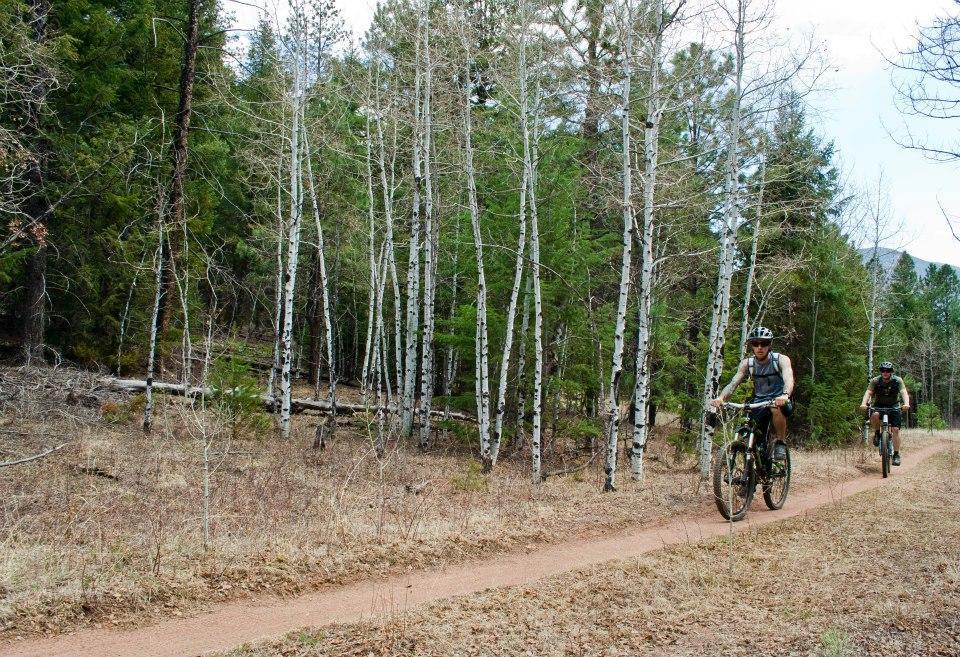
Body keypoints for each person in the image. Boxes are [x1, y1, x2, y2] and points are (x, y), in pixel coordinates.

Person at [711, 326, 795, 459]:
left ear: (770, 344)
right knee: (750, 432)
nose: (760, 347)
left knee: (775, 408)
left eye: (764, 343)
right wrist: (721, 397)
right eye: (756, 344)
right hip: (759, 402)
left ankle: (780, 442)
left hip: (781, 401)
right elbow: (733, 384)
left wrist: (784, 395)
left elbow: (789, 379)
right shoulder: (747, 364)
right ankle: (752, 468)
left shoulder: (781, 360)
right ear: (752, 346)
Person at [860, 362, 910, 466]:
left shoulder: (897, 380)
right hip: (878, 406)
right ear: (881, 372)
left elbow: (904, 392)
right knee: (874, 415)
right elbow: (868, 392)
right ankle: (877, 434)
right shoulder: (875, 381)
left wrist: (906, 404)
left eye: (887, 371)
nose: (885, 373)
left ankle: (896, 455)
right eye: (883, 370)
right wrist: (863, 403)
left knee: (895, 430)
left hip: (894, 406)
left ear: (891, 372)